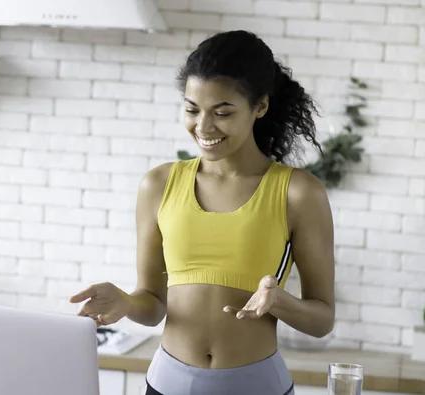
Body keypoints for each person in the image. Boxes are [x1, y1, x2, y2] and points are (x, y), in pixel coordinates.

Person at [70, 30, 335, 395]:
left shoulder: (298, 193)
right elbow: (154, 304)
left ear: (260, 106)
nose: (204, 127)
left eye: (223, 112)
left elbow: (322, 319)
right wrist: (126, 301)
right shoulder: (159, 185)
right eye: (192, 110)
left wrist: (280, 302)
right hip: (165, 385)